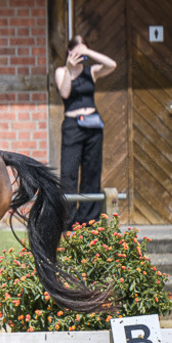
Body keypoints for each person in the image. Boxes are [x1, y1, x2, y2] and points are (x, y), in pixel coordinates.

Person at [54, 35, 118, 228]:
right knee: (69, 173)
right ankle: (68, 220)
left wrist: (88, 51)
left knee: (92, 172)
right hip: (73, 125)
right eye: (77, 52)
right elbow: (64, 92)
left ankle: (89, 220)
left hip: (93, 126)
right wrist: (69, 68)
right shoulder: (61, 71)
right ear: (69, 52)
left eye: (83, 53)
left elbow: (112, 65)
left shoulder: (91, 72)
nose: (81, 56)